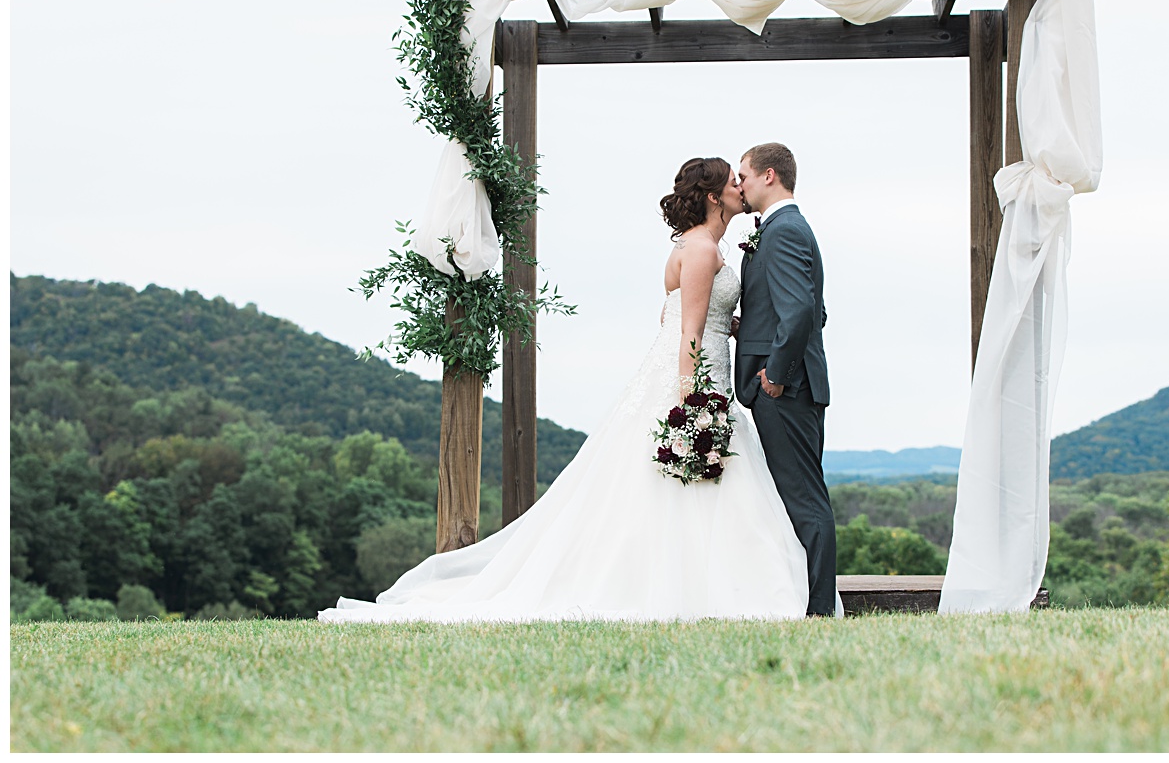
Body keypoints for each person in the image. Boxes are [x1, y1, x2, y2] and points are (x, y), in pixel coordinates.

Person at [318, 157, 810, 623]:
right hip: (694, 374)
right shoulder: (701, 248)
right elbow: (688, 332)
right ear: (711, 196)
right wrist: (692, 401)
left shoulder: (698, 247)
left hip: (701, 363)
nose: (739, 187)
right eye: (731, 181)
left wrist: (735, 326)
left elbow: (679, 314)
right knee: (687, 478)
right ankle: (700, 586)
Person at [733, 143, 838, 617]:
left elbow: (800, 314)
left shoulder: (785, 231)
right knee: (791, 495)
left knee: (803, 497)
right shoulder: (784, 229)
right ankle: (804, 599)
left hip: (787, 389)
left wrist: (774, 375)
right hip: (790, 384)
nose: (740, 186)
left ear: (769, 175)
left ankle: (818, 610)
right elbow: (810, 310)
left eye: (744, 177)